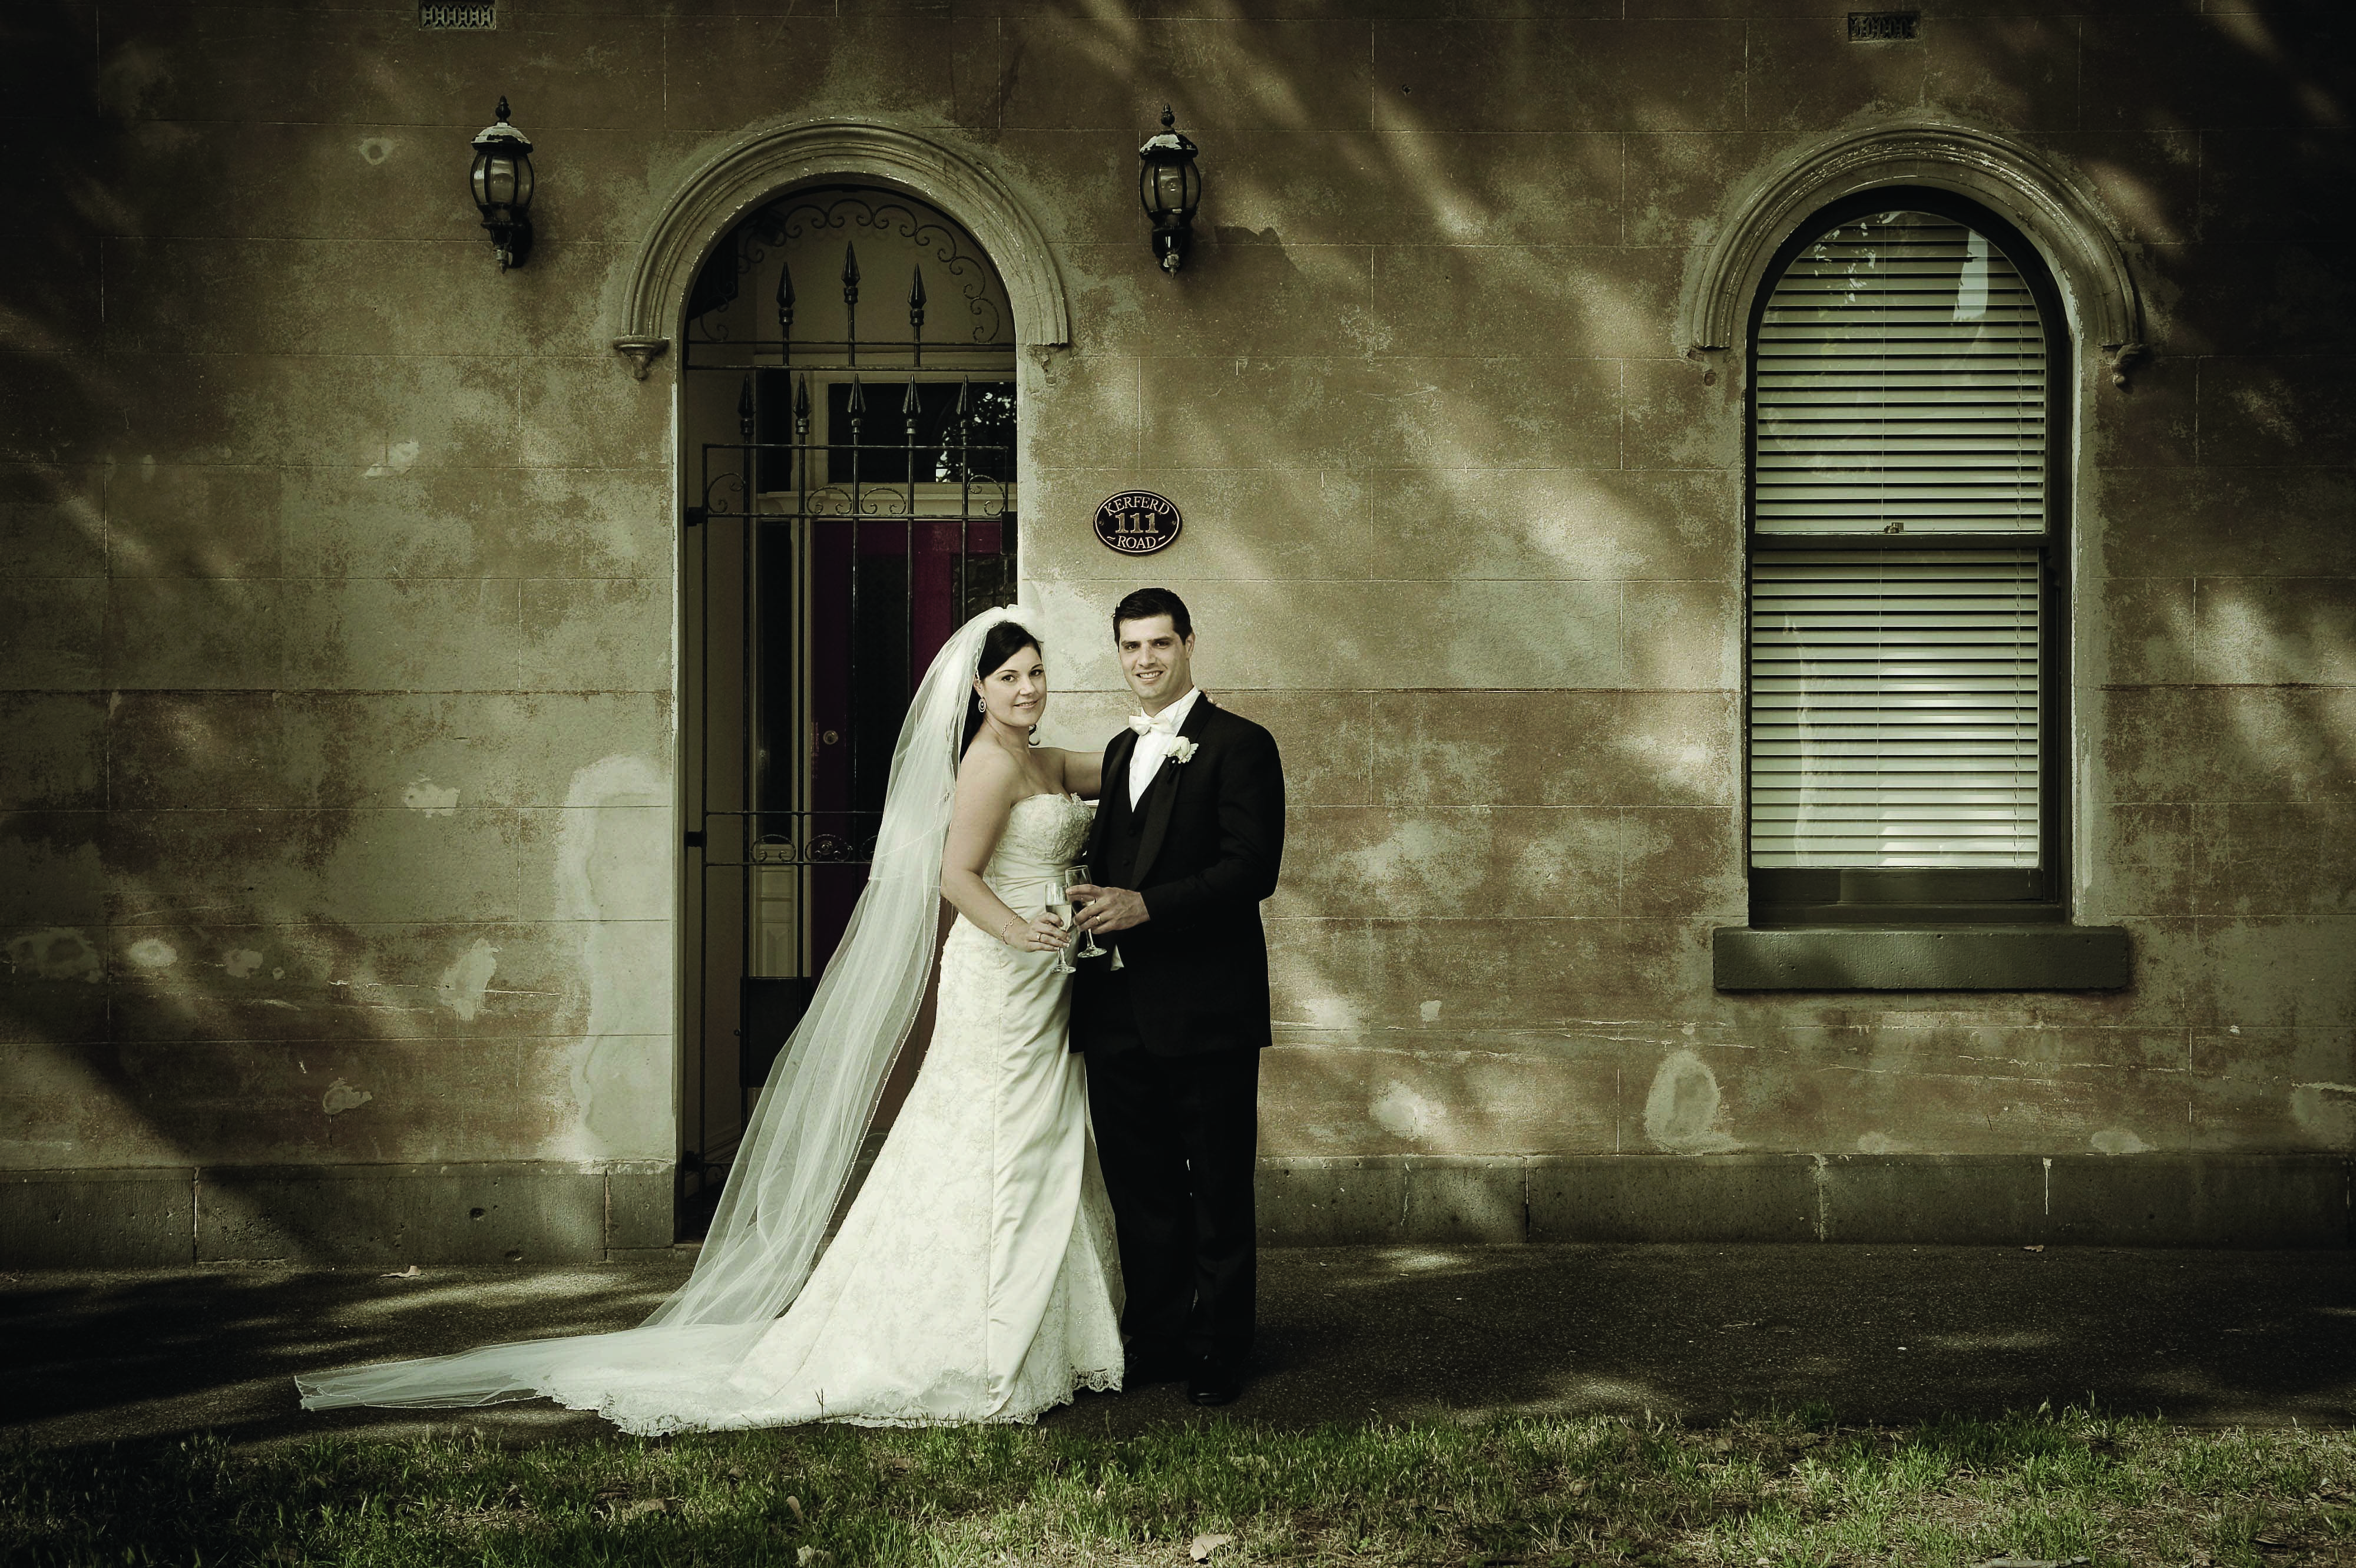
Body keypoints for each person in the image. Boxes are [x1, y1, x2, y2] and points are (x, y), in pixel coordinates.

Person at [295, 608, 1124, 1432]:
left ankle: (1050, 1330)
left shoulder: (1043, 758)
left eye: (1035, 672)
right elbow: (954, 872)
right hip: (1000, 975)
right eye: (1008, 676)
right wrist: (1018, 929)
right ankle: (968, 1336)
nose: (1025, 688)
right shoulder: (988, 765)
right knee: (989, 1138)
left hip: (1046, 983)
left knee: (1042, 1134)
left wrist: (1164, 734)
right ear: (977, 688)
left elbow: (1119, 767)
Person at [1066, 588, 1286, 1407]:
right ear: (1118, 652)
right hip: (1117, 1009)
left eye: (1160, 643)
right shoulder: (1122, 750)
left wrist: (1148, 905)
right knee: (1141, 1184)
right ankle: (1156, 1337)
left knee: (1218, 1186)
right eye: (1131, 646)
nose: (1146, 659)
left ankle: (1222, 1348)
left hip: (1207, 1006)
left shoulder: (1242, 745)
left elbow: (1250, 869)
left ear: (1190, 643)